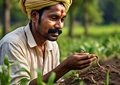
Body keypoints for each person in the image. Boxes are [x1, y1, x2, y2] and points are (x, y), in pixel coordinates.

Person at [0, 0, 97, 85]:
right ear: (34, 16)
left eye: (62, 19)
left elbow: (55, 82)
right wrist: (65, 67)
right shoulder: (12, 43)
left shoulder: (52, 45)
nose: (60, 25)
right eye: (54, 18)